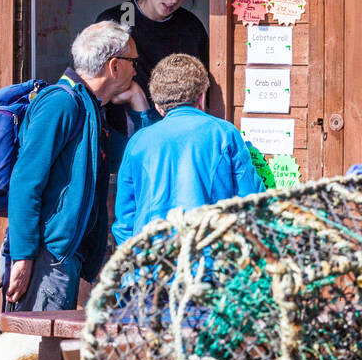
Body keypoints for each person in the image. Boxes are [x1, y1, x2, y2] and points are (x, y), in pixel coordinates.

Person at [5, 20, 154, 311]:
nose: (136, 70)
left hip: (59, 257)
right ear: (114, 66)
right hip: (45, 258)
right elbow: (25, 181)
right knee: (37, 352)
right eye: (133, 62)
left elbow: (139, 153)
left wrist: (139, 104)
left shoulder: (89, 109)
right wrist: (23, 257)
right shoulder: (62, 103)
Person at [112, 53, 265, 246]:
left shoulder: (137, 142)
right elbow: (250, 201)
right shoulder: (224, 133)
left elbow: (125, 221)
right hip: (209, 260)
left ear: (158, 107)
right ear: (201, 98)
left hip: (152, 262)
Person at [97, 0, 209, 129]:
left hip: (177, 133)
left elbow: (204, 91)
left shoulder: (191, 27)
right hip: (122, 134)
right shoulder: (120, 18)